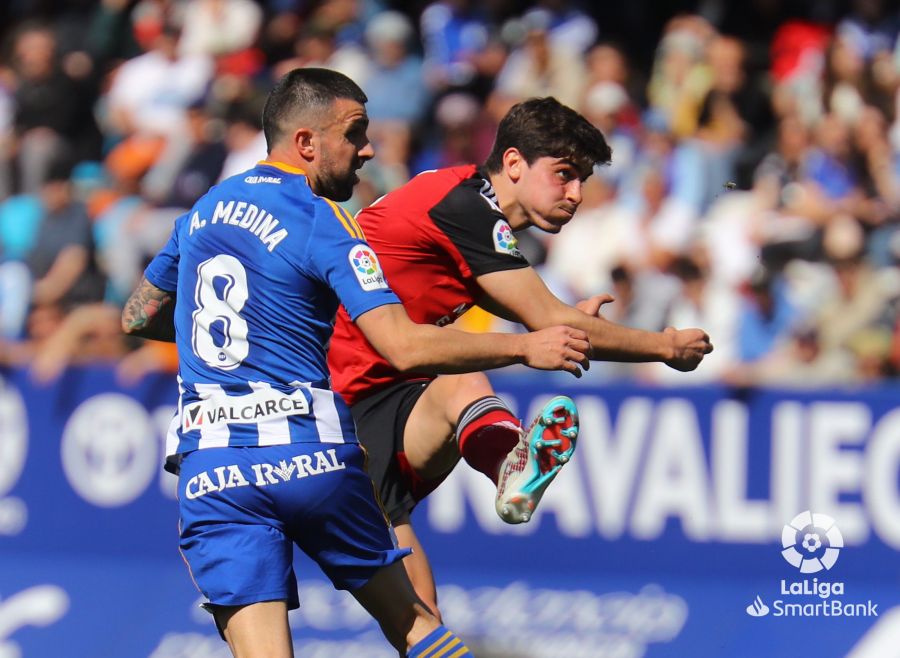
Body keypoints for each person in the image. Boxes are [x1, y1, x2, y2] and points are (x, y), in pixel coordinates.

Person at [121, 69, 591, 658]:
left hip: (214, 469)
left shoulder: (201, 213)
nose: (367, 148)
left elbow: (138, 317)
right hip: (308, 454)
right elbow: (403, 346)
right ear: (306, 143)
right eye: (356, 133)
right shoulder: (325, 220)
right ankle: (500, 459)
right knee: (417, 625)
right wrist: (524, 346)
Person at [327, 96, 714, 618]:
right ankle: (511, 459)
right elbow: (548, 322)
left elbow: (539, 315)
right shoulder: (463, 206)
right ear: (513, 163)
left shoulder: (463, 209)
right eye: (564, 174)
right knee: (412, 610)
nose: (576, 194)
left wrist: (565, 321)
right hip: (333, 409)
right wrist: (666, 347)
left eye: (582, 180)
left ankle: (512, 462)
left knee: (422, 617)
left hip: (382, 397)